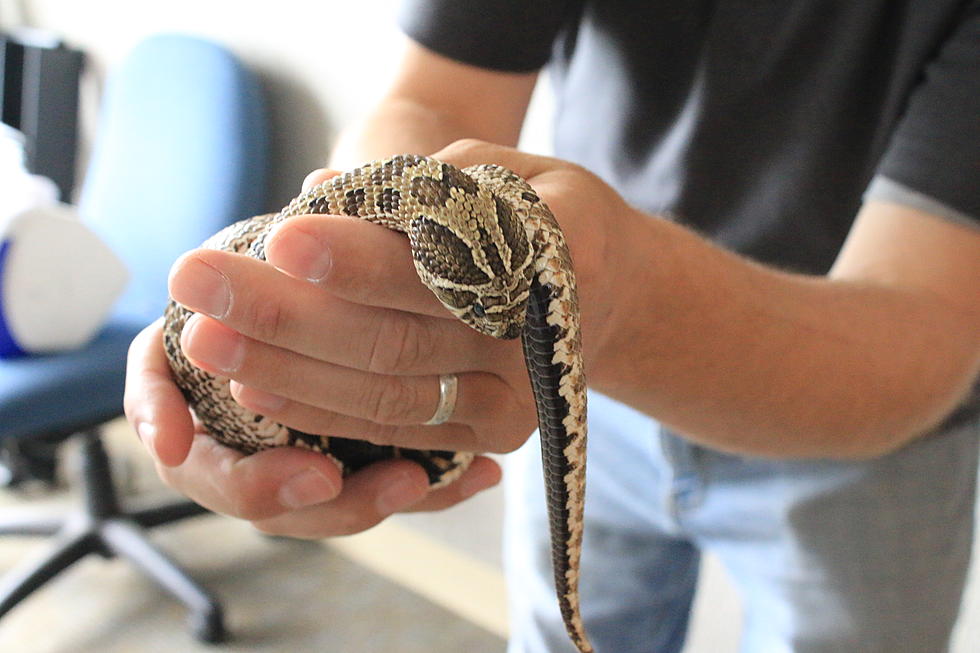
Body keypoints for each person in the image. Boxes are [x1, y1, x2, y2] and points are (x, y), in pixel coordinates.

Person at [125, 1, 980, 651]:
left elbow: (926, 330)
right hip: (570, 379)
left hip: (866, 441)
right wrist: (315, 296)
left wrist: (606, 299)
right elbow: (430, 100)